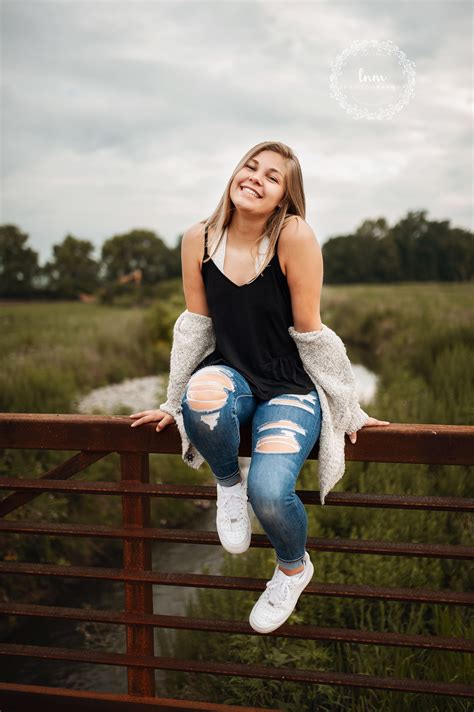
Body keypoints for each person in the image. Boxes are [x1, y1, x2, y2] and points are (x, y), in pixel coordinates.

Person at [129, 141, 390, 634]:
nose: (255, 178)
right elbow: (195, 327)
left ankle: (293, 568)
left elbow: (310, 331)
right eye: (250, 166)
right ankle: (228, 483)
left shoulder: (293, 235)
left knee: (271, 494)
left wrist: (349, 406)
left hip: (290, 386)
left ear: (284, 197)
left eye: (272, 177)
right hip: (230, 375)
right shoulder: (198, 238)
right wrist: (170, 401)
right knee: (200, 397)